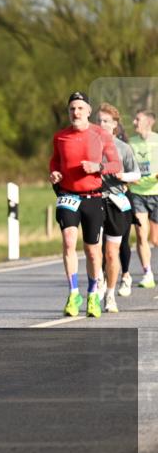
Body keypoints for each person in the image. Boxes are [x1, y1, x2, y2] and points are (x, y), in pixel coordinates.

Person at [49, 92, 121, 318]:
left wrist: (98, 167)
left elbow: (116, 165)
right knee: (69, 242)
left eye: (80, 108)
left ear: (89, 111)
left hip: (93, 197)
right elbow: (54, 161)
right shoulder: (60, 137)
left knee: (92, 251)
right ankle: (73, 294)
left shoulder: (101, 135)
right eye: (72, 108)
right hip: (68, 196)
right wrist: (54, 174)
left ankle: (92, 294)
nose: (76, 112)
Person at [97, 103, 140, 313]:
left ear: (114, 125)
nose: (101, 124)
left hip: (116, 201)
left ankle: (110, 294)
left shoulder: (123, 148)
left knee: (112, 253)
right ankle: (98, 283)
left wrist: (124, 176)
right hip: (93, 201)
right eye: (98, 120)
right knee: (94, 251)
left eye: (105, 121)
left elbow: (137, 174)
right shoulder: (89, 144)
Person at [128, 109, 158, 290]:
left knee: (156, 239)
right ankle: (147, 273)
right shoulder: (130, 143)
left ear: (149, 122)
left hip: (157, 192)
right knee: (140, 234)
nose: (133, 122)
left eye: (137, 119)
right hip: (137, 192)